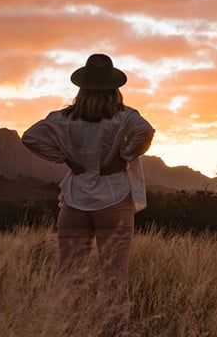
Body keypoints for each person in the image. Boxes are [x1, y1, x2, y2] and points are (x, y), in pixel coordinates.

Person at [21, 53, 154, 327]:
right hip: (114, 199)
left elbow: (30, 137)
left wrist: (65, 158)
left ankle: (67, 330)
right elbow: (146, 131)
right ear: (114, 89)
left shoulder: (63, 118)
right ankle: (114, 331)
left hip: (74, 200)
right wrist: (125, 155)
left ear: (81, 89)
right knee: (115, 276)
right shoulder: (124, 117)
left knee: (69, 274)